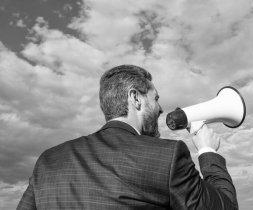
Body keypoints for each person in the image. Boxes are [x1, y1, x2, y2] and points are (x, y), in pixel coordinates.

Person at [17, 64, 238, 210]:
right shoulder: (167, 156)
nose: (160, 108)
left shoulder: (48, 161)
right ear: (135, 98)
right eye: (155, 98)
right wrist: (208, 151)